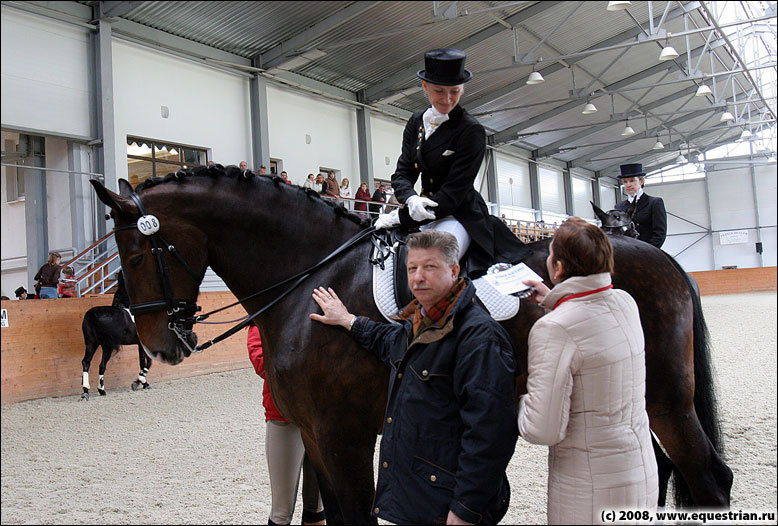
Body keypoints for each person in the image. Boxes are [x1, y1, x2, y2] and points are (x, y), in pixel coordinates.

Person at [309, 230, 518, 525]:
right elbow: (388, 339)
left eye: (430, 267)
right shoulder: (421, 322)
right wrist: (347, 319)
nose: (418, 277)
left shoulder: (480, 339)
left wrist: (465, 511)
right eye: (412, 268)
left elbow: (491, 435)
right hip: (421, 499)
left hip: (448, 508)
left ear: (454, 270)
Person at [518, 217, 658, 525]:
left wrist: (516, 399)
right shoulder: (625, 302)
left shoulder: (553, 330)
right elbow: (589, 328)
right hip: (640, 473)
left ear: (559, 268)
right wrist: (555, 303)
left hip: (589, 490)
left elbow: (542, 429)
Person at [375, 48, 531, 277]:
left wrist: (400, 216)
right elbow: (403, 172)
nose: (447, 99)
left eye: (454, 92)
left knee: (431, 268)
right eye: (439, 91)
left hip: (459, 216)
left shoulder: (471, 130)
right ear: (424, 86)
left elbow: (453, 194)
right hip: (423, 211)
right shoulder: (416, 121)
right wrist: (410, 198)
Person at [247, 323, 326, 526]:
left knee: (316, 505)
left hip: (318, 417)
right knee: (282, 511)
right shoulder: (262, 322)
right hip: (285, 417)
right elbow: (262, 363)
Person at [614, 163, 667, 249]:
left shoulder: (654, 203)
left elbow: (660, 233)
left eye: (632, 181)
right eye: (625, 182)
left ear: (641, 181)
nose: (628, 185)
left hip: (647, 251)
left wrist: (647, 251)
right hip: (626, 251)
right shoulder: (619, 206)